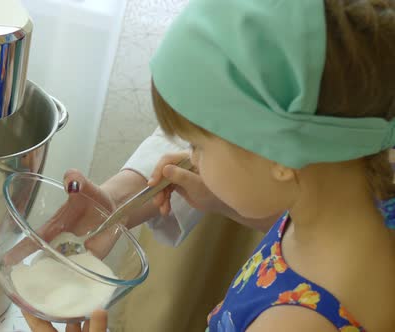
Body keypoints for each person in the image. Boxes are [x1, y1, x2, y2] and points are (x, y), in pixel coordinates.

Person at [26, 0, 395, 330]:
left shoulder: (293, 323)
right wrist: (218, 200)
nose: (191, 156)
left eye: (197, 145)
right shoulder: (357, 214)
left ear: (280, 156)